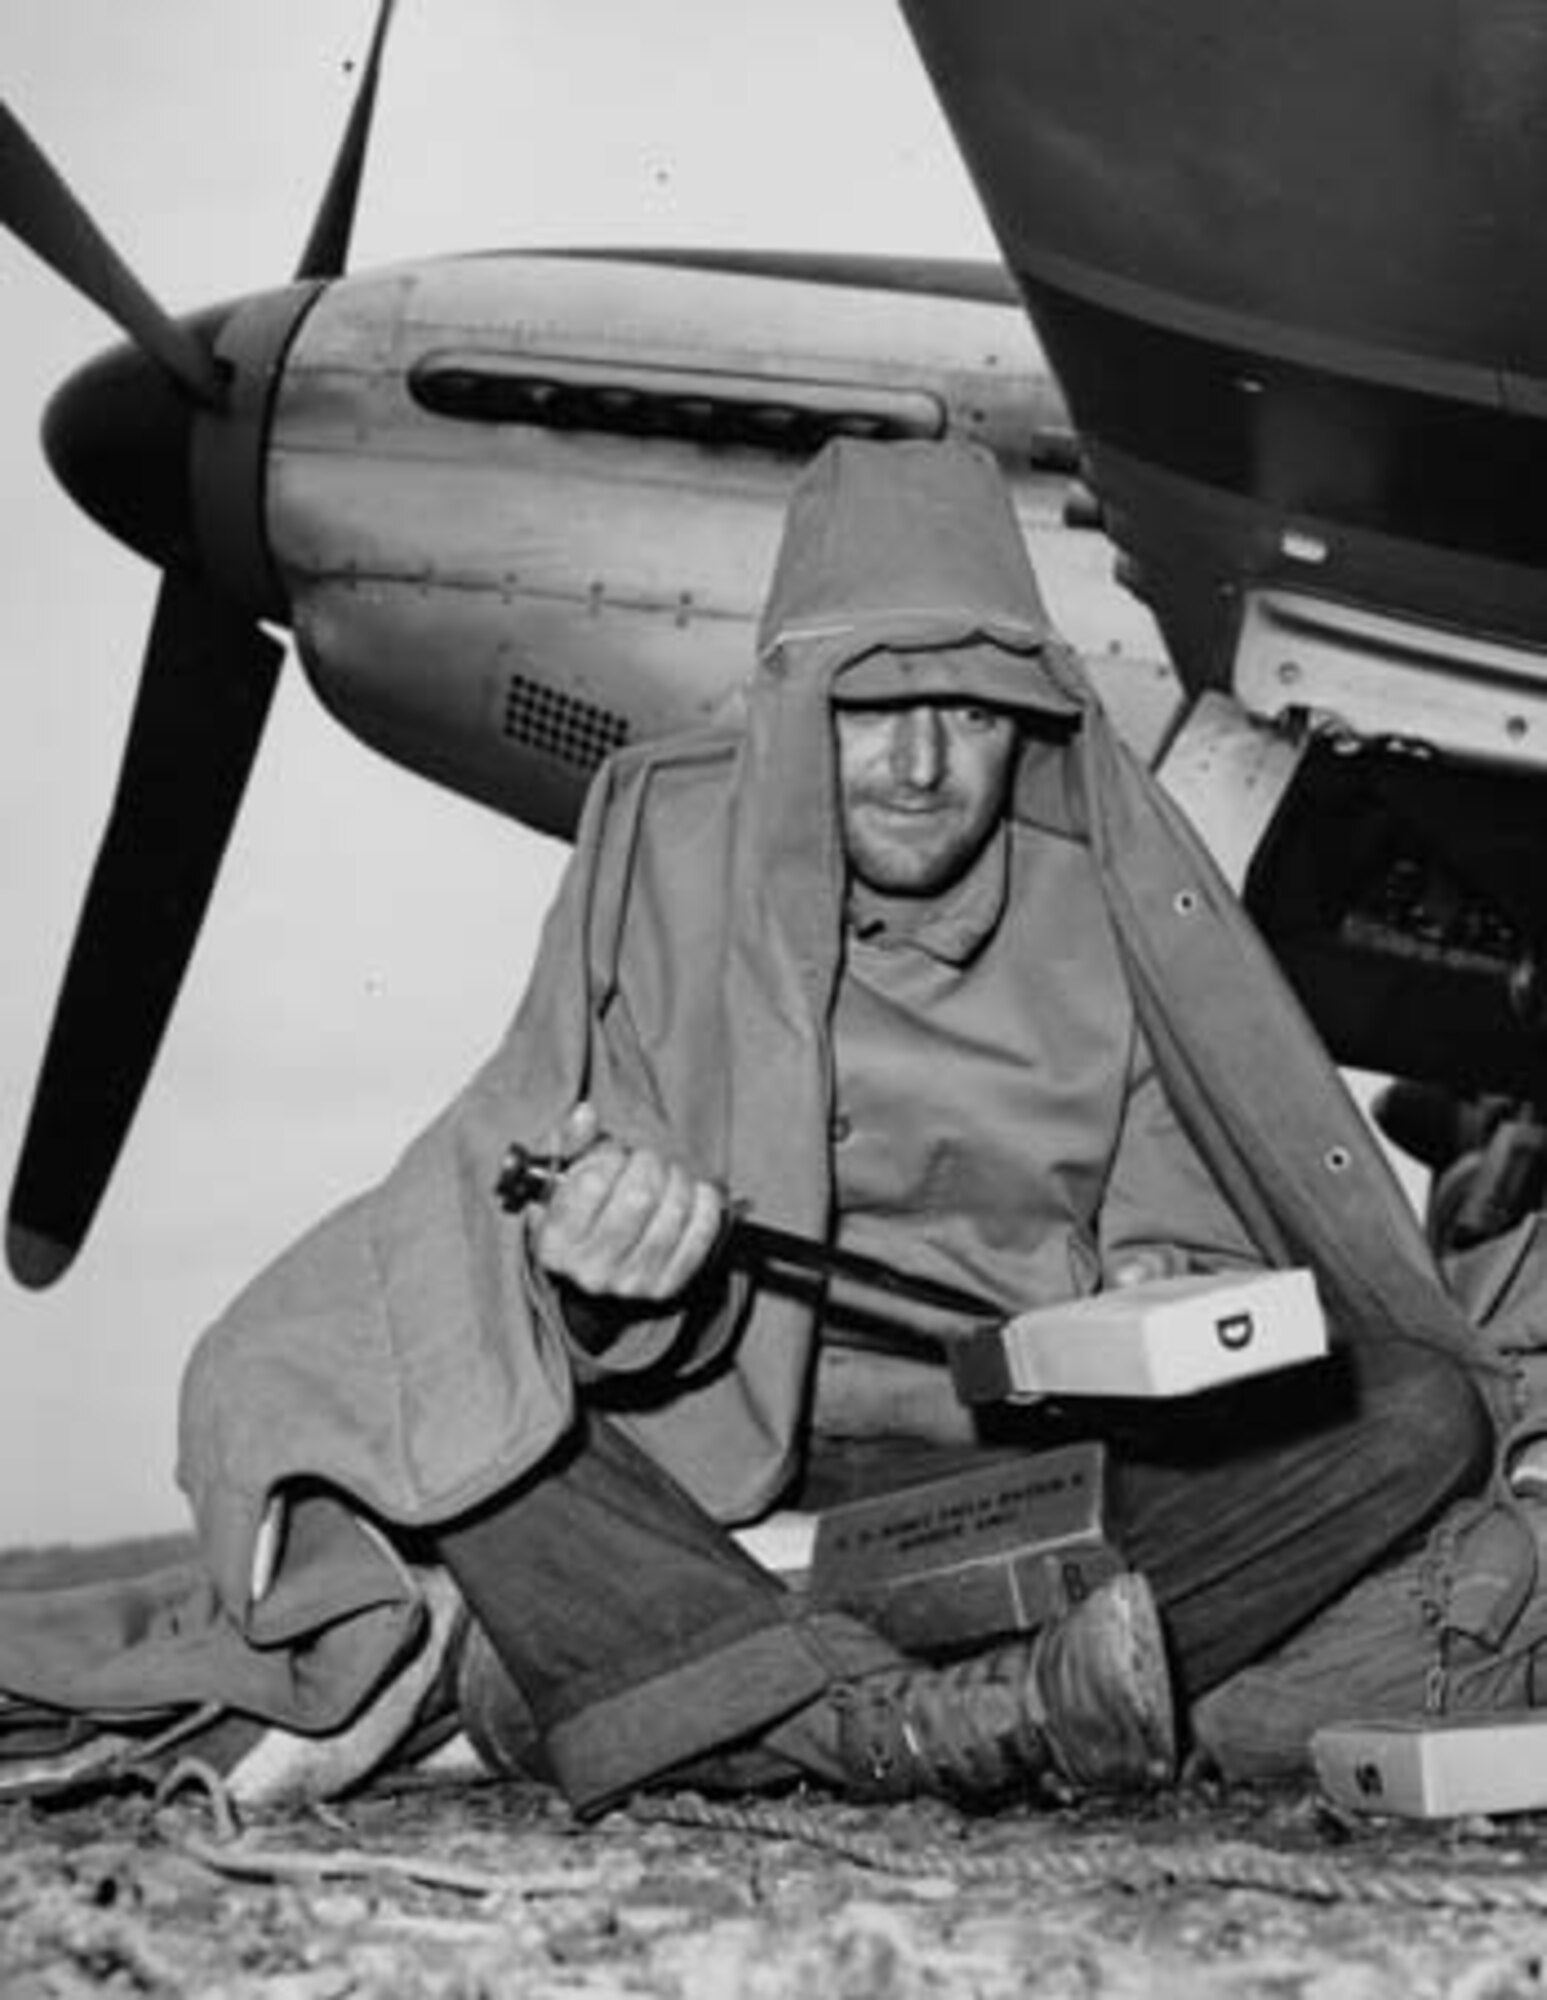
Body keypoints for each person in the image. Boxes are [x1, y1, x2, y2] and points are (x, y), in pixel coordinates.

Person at [0, 438, 1535, 1810]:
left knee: (1415, 1412)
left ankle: (744, 1692)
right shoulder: (662, 857)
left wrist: (1163, 1296)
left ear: (1032, 717)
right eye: (873, 705)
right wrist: (610, 1288)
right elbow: (509, 1246)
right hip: (720, 1484)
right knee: (437, 1404)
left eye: (968, 708)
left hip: (1036, 1485)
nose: (922, 763)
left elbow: (1194, 1231)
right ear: (800, 708)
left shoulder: (1112, 911)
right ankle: (912, 1718)